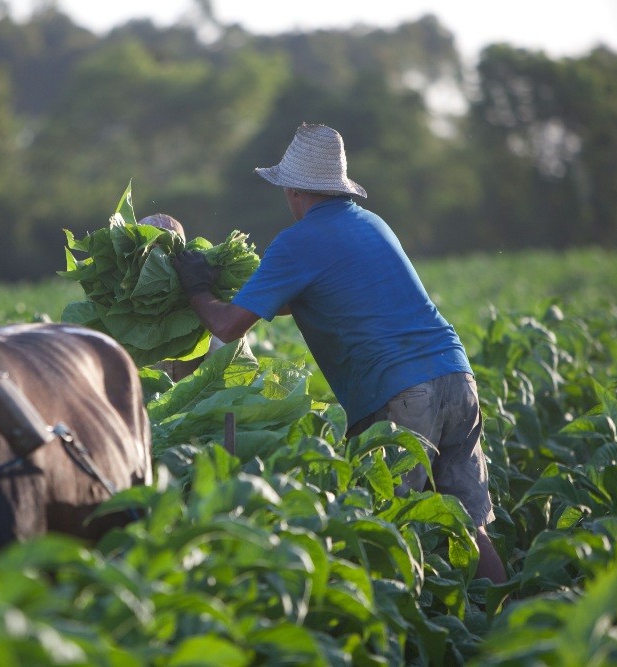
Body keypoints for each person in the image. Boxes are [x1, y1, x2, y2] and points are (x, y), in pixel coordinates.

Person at [172, 123, 507, 584]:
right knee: (470, 526)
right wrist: (239, 291)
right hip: (456, 376)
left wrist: (198, 290)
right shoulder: (373, 224)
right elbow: (299, 300)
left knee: (382, 533)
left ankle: (393, 641)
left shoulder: (297, 241)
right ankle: (505, 625)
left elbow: (227, 327)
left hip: (403, 395)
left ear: (292, 190)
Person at [138, 213, 227, 381]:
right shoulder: (115, 306)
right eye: (148, 249)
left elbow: (226, 366)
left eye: (164, 248)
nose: (155, 258)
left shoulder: (201, 310)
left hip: (195, 405)